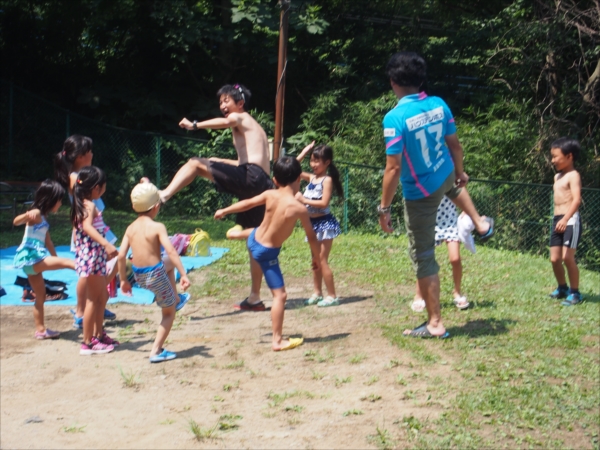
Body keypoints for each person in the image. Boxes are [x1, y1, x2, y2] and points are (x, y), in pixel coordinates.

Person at [378, 51, 494, 338]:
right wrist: (460, 170)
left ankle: (435, 324)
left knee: (424, 254)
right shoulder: (439, 105)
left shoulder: (395, 118)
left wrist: (384, 208)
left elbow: (393, 169)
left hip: (420, 193)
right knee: (454, 187)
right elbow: (455, 145)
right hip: (444, 172)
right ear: (420, 79)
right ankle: (479, 222)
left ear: (393, 81)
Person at [159, 84, 273, 312]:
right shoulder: (255, 128)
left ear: (240, 104)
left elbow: (226, 123)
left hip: (252, 179)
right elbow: (249, 163)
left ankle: (164, 195)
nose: (223, 106)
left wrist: (195, 125)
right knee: (255, 242)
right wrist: (216, 160)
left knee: (194, 163)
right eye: (220, 102)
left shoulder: (241, 118)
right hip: (259, 183)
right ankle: (254, 298)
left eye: (227, 101)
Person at [214, 156, 321, 351]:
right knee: (280, 296)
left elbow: (247, 204)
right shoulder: (298, 208)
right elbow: (312, 237)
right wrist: (316, 258)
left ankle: (237, 234)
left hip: (255, 240)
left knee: (256, 231)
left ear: (275, 180)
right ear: (299, 178)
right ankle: (277, 341)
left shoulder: (270, 194)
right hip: (266, 252)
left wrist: (225, 210)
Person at [118, 181, 191, 362]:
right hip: (155, 275)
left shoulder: (130, 228)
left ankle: (176, 298)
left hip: (139, 276)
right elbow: (172, 251)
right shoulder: (158, 227)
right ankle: (156, 351)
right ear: (156, 207)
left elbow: (121, 256)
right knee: (169, 313)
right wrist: (184, 274)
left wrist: (123, 281)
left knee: (167, 264)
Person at [54, 135, 118, 327]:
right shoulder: (76, 179)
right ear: (80, 156)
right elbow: (81, 210)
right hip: (87, 234)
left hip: (94, 228)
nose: (92, 153)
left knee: (101, 268)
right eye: (89, 151)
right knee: (87, 273)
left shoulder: (81, 175)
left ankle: (97, 301)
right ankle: (83, 311)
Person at [13, 180, 76, 340]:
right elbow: (16, 221)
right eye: (59, 200)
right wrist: (27, 215)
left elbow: (48, 241)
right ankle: (92, 275)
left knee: (40, 296)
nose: (61, 204)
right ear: (51, 199)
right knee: (71, 263)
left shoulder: (44, 219)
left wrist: (55, 258)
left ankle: (40, 330)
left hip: (31, 264)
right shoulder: (36, 213)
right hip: (32, 258)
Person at [71, 166, 119, 355]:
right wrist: (105, 245)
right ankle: (88, 342)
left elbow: (78, 234)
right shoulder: (89, 206)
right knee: (93, 299)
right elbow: (87, 227)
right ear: (97, 188)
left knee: (102, 297)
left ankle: (99, 335)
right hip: (92, 258)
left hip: (93, 256)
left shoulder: (83, 205)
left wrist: (99, 250)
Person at [296, 142, 343, 307]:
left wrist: (303, 200)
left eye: (317, 161)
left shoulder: (327, 180)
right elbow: (292, 169)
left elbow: (324, 203)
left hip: (325, 225)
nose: (313, 165)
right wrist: (303, 153)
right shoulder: (311, 177)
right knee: (315, 260)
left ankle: (332, 296)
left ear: (327, 163)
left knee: (322, 260)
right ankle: (317, 293)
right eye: (312, 160)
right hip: (312, 224)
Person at [411, 196, 469, 313]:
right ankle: (419, 295)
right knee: (424, 259)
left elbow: (460, 189)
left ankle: (457, 292)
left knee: (455, 259)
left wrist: (465, 209)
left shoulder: (451, 176)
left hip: (450, 221)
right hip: (429, 220)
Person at [548, 137, 583, 306]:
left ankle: (575, 293)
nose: (553, 160)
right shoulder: (557, 177)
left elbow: (576, 200)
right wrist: (559, 219)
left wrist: (566, 218)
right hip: (557, 220)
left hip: (570, 220)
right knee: (555, 259)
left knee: (567, 257)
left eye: (556, 156)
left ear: (569, 156)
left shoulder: (573, 175)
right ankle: (562, 288)